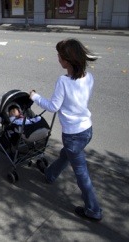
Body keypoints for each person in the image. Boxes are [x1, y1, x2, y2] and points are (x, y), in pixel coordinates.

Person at [29, 38, 103, 221]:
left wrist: (35, 97)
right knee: (66, 155)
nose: (58, 58)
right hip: (87, 130)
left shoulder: (63, 81)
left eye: (60, 56)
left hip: (73, 135)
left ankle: (94, 211)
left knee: (81, 173)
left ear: (68, 60)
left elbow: (54, 107)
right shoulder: (89, 77)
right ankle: (50, 174)